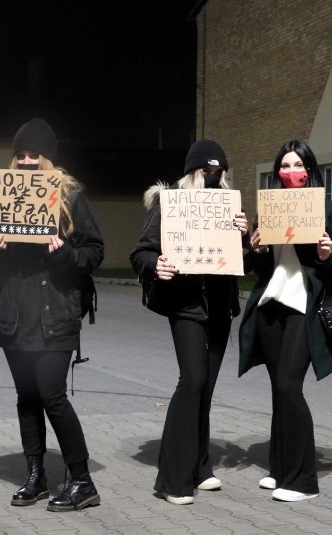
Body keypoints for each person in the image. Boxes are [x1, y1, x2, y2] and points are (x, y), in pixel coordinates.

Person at [0, 118, 104, 512]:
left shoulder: (71, 198)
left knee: (52, 395)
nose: (28, 161)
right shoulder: (4, 196)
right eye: (21, 155)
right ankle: (35, 476)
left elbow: (94, 252)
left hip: (57, 314)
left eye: (35, 154)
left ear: (49, 158)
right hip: (14, 316)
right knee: (27, 397)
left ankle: (82, 479)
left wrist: (63, 251)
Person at [130, 139, 248, 505]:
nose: (213, 178)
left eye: (219, 172)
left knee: (205, 389)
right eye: (206, 172)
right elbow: (142, 252)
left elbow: (238, 259)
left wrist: (243, 237)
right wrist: (156, 265)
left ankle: (200, 467)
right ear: (192, 172)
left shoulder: (228, 206)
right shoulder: (171, 203)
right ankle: (173, 479)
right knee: (192, 380)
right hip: (186, 305)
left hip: (219, 307)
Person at [238, 139, 332, 502]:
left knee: (289, 386)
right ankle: (279, 468)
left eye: (297, 165)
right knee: (278, 390)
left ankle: (303, 480)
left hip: (307, 308)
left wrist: (326, 254)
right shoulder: (270, 208)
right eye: (284, 167)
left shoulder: (327, 209)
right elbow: (254, 267)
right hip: (273, 305)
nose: (291, 173)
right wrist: (254, 249)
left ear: (310, 169)